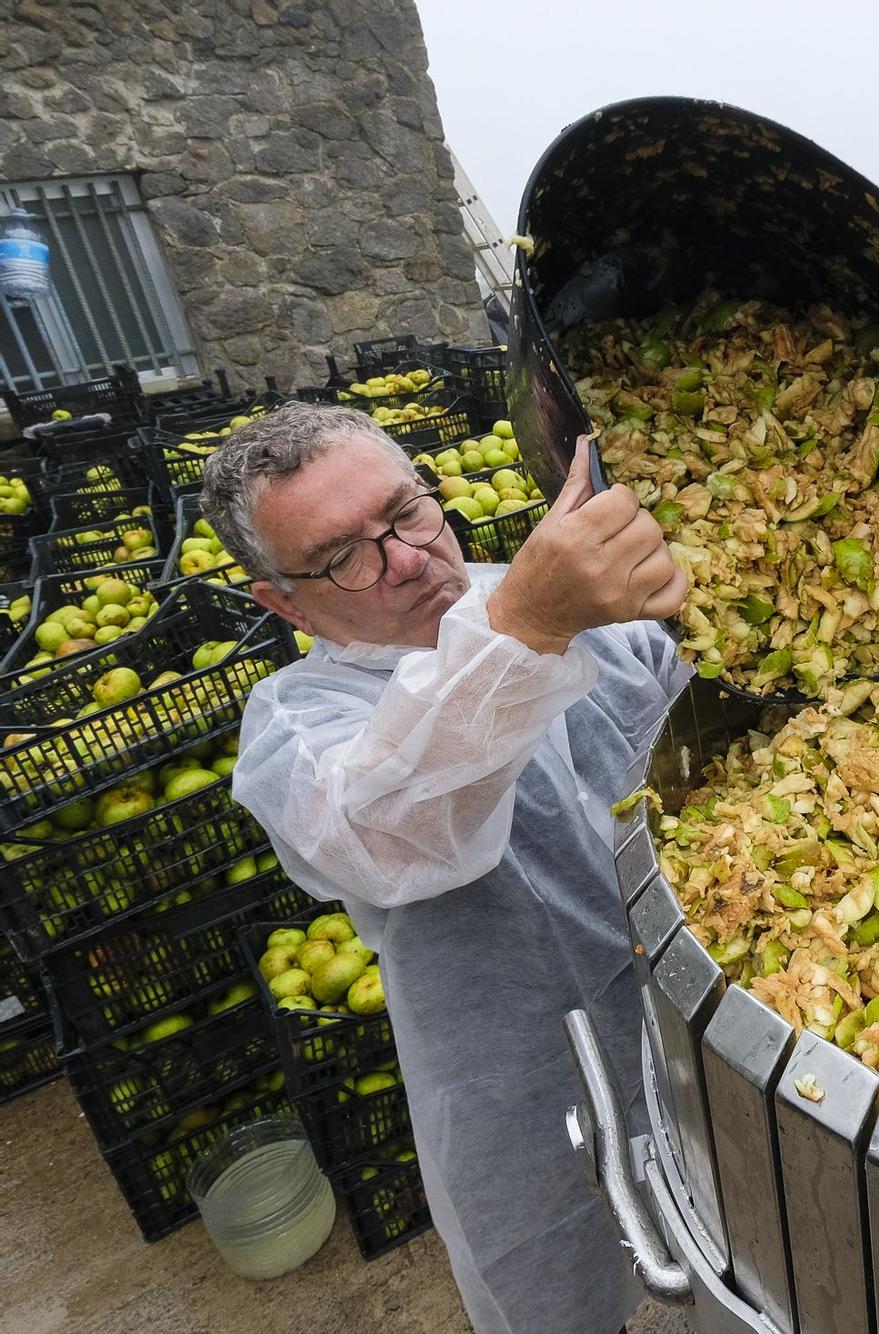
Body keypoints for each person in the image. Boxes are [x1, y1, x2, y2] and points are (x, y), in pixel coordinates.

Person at [201, 400, 689, 1334]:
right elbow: (393, 831)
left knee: (742, 1255)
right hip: (529, 1092)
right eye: (345, 556)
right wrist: (527, 626)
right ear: (283, 602)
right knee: (563, 1291)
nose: (407, 559)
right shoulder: (297, 729)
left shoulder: (562, 599)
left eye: (407, 511)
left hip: (697, 1028)